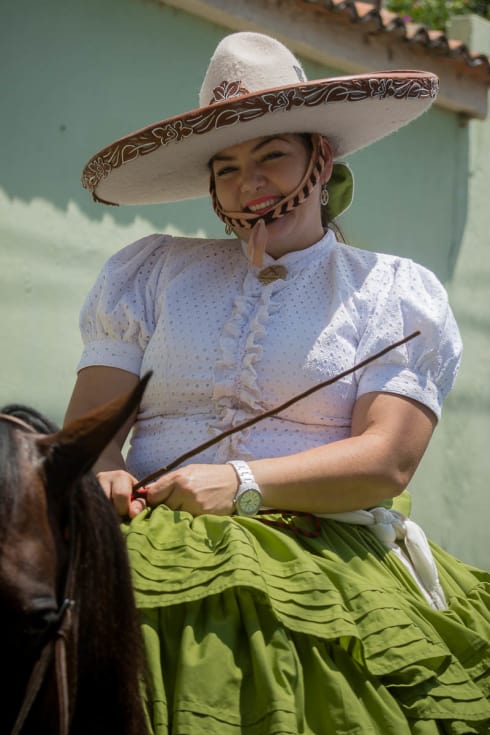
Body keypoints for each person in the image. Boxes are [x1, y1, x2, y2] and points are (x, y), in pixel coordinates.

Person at [66, 32, 490, 735]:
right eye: (227, 167)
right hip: (139, 540)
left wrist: (240, 481)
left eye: (271, 155)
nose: (249, 182)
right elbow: (91, 433)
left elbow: (387, 459)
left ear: (320, 161)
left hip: (319, 553)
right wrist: (105, 472)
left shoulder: (391, 290)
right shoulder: (149, 272)